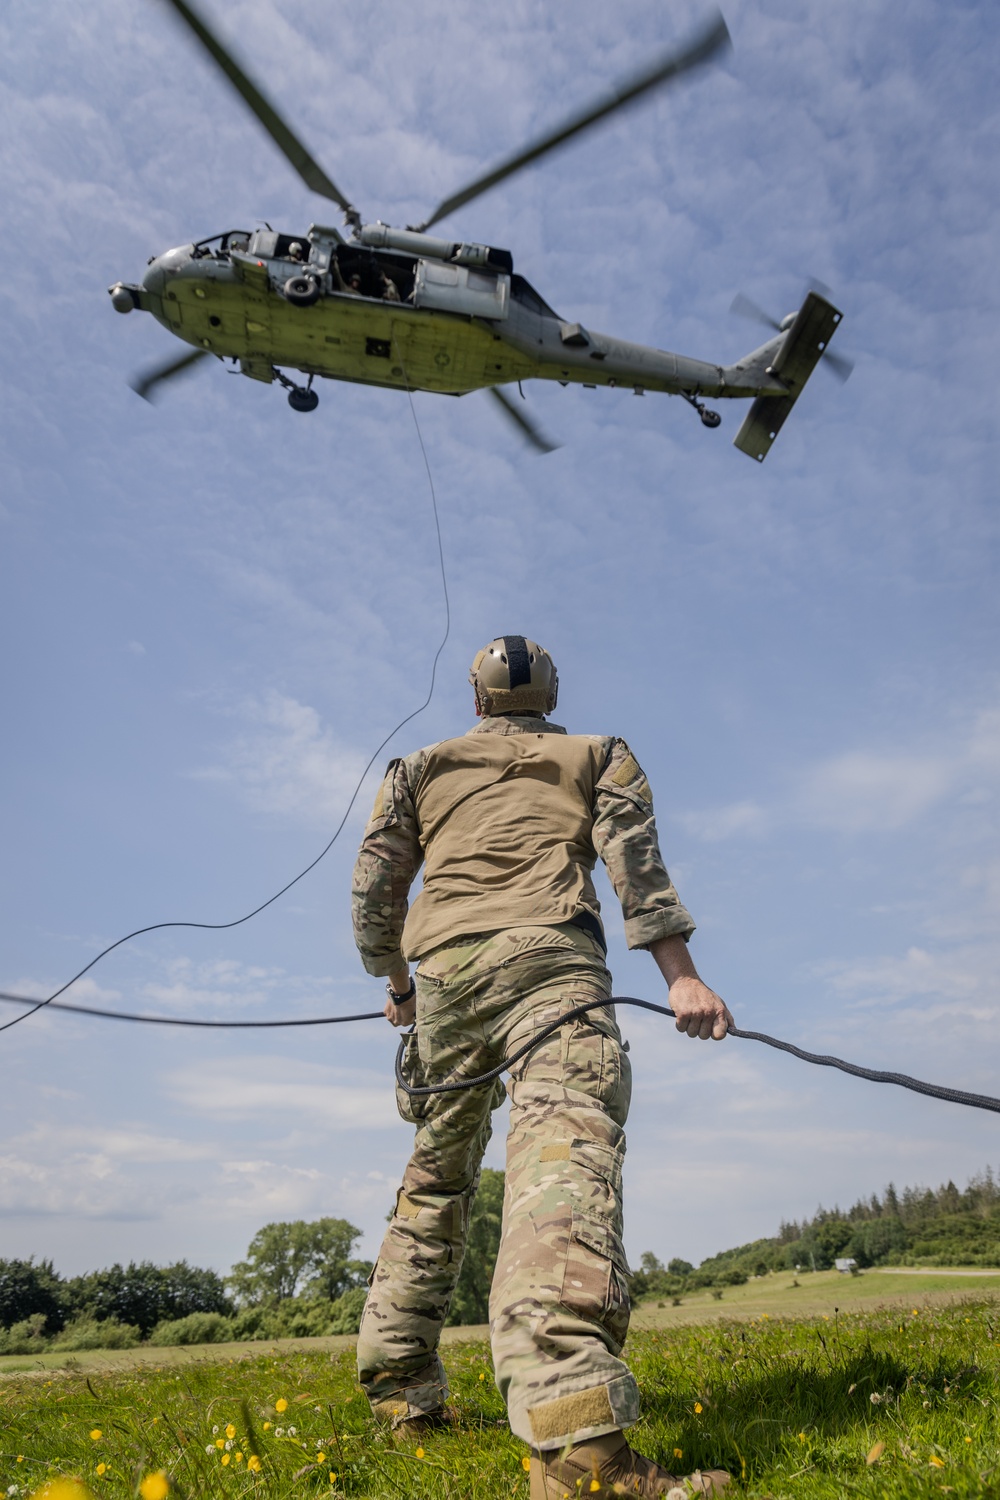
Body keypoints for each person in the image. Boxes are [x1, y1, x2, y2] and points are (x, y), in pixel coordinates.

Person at [351, 636, 733, 1498]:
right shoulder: (598, 754)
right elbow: (637, 868)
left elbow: (375, 891)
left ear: (478, 704)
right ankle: (579, 1456)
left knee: (437, 1177)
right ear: (548, 697)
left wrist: (400, 985)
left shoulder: (417, 767)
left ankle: (401, 1395)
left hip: (444, 980)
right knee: (558, 1155)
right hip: (553, 965)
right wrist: (684, 980)